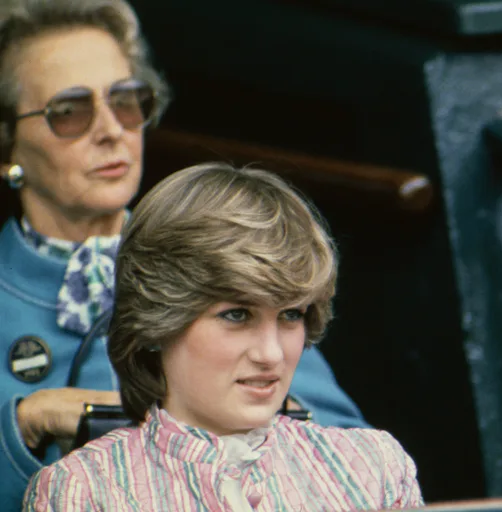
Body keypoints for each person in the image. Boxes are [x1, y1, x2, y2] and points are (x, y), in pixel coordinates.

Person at [0, 0, 365, 508]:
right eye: (70, 111)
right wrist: (24, 424)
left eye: (127, 102)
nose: (111, 130)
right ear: (8, 142)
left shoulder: (214, 254)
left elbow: (341, 449)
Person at [22, 162, 424, 511]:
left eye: (290, 315)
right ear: (157, 321)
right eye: (236, 314)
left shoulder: (374, 469)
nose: (270, 354)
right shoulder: (84, 492)